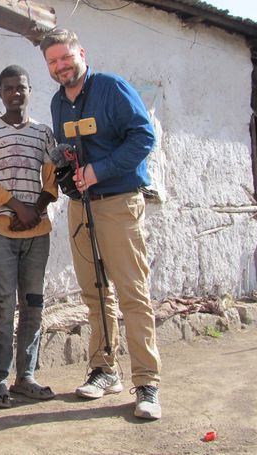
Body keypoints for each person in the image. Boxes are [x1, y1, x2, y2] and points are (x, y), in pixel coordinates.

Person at [40, 28, 162, 420]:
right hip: (82, 207)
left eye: (65, 58)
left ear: (81, 53)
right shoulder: (59, 103)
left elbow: (143, 137)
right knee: (94, 293)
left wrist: (98, 170)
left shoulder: (112, 88)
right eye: (53, 62)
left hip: (119, 203)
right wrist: (66, 171)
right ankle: (103, 369)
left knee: (132, 293)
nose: (60, 66)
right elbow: (71, 151)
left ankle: (147, 383)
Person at [0, 65, 58, 408]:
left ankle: (26, 377)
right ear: (0, 93)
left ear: (29, 90)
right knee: (4, 303)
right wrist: (17, 209)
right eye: (8, 88)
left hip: (38, 233)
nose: (15, 93)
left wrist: (34, 210)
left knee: (33, 304)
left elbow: (51, 179)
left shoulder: (44, 133)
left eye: (20, 87)